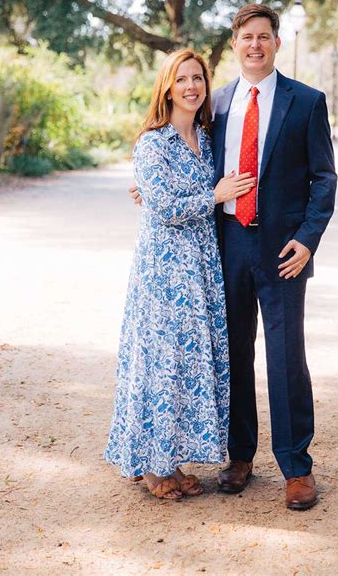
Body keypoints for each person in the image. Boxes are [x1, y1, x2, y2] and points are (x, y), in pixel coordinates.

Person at [130, 4, 337, 510]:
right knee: (233, 355)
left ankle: (296, 467)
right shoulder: (216, 104)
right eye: (247, 37)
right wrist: (147, 188)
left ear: (276, 43)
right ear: (236, 42)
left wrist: (308, 239)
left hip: (284, 250)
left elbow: (324, 178)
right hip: (226, 246)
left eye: (264, 36)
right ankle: (240, 456)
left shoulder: (306, 102)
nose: (255, 45)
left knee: (286, 358)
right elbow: (184, 160)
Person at [106, 48, 256, 500]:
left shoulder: (206, 139)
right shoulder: (154, 142)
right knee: (162, 360)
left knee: (187, 362)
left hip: (201, 266)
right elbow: (167, 208)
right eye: (182, 79)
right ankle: (153, 468)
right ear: (167, 88)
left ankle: (170, 459)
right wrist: (215, 195)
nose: (191, 87)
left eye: (198, 78)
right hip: (165, 269)